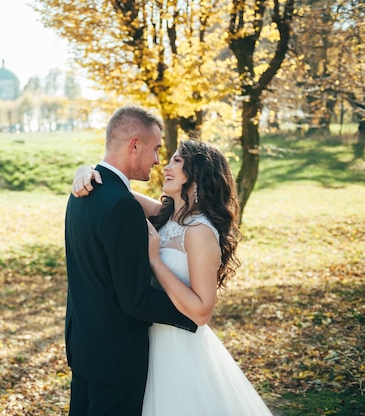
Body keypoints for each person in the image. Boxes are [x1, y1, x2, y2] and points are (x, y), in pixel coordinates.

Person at [72, 139, 274, 415]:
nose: (165, 166)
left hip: (179, 348)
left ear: (199, 172)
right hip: (147, 339)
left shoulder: (200, 232)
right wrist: (84, 171)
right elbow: (116, 190)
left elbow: (202, 311)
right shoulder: (165, 215)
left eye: (177, 161)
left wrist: (155, 260)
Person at [64, 105, 197, 416]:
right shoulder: (121, 205)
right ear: (134, 144)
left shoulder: (83, 191)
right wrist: (193, 313)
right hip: (115, 358)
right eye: (155, 149)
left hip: (84, 345)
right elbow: (135, 299)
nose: (157, 160)